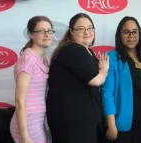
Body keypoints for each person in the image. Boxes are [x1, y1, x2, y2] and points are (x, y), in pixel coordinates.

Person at [46, 13, 109, 143]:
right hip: (72, 123)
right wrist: (104, 69)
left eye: (90, 28)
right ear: (72, 31)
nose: (87, 32)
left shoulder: (87, 51)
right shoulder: (73, 49)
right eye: (81, 29)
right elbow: (96, 80)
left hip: (83, 119)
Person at [100, 16, 141, 143]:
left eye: (134, 31)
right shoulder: (112, 58)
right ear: (120, 34)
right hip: (122, 124)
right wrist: (111, 125)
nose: (131, 36)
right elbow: (107, 94)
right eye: (126, 32)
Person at [10, 16, 54, 143]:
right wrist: (24, 135)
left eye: (49, 30)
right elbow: (19, 100)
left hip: (37, 121)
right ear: (30, 35)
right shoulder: (28, 59)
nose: (47, 34)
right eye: (41, 31)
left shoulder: (43, 59)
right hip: (27, 124)